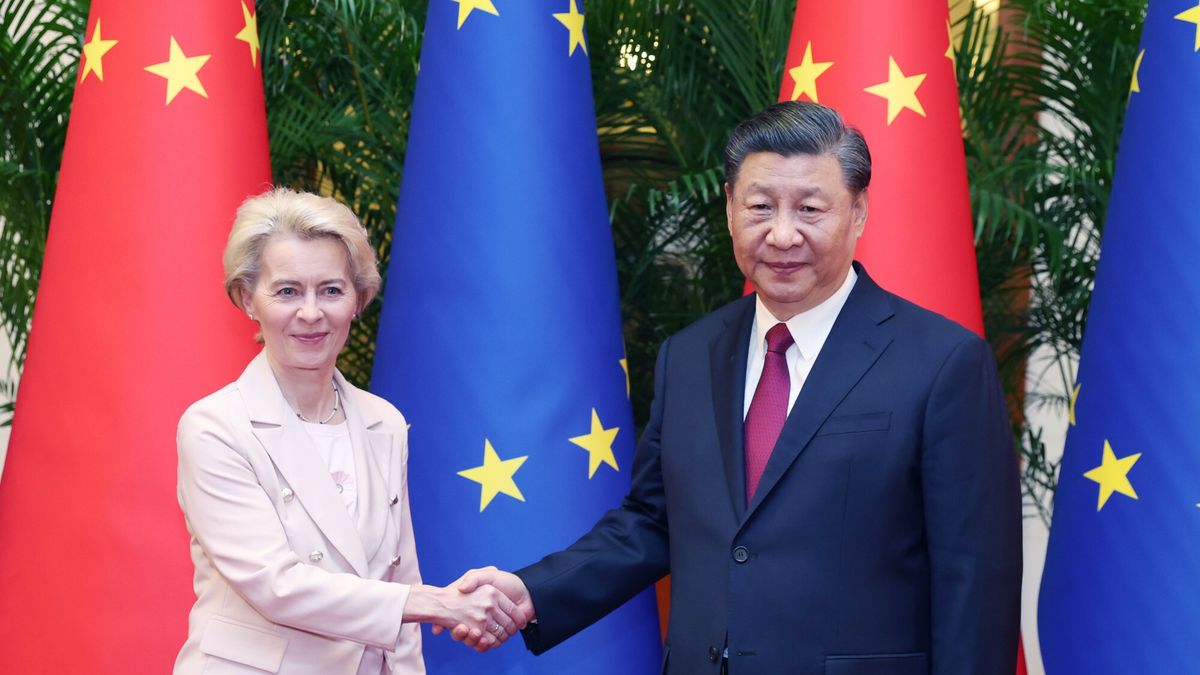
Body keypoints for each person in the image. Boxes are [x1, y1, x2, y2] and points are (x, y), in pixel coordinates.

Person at [449, 102, 1023, 674]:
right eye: (760, 207)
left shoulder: (943, 363)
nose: (782, 234)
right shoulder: (690, 355)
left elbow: (974, 580)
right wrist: (533, 592)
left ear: (858, 212)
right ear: (729, 209)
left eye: (809, 209)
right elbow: (654, 521)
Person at [173, 188, 525, 675]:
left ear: (358, 300)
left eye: (331, 290)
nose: (311, 313)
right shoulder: (214, 427)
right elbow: (277, 585)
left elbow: (399, 572)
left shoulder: (385, 421)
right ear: (247, 298)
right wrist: (437, 604)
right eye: (287, 291)